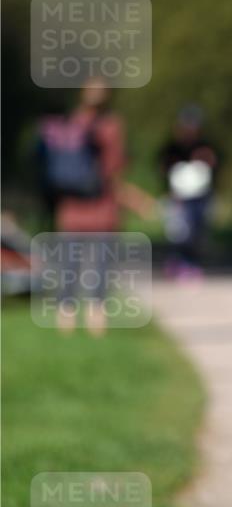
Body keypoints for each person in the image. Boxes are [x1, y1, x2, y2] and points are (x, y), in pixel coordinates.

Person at [37, 77, 156, 335]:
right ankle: (95, 319)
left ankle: (65, 318)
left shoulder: (67, 124)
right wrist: (134, 199)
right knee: (100, 266)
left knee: (69, 266)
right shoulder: (112, 126)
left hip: (70, 208)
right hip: (102, 207)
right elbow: (114, 170)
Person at [159, 104, 221, 279]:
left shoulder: (205, 147)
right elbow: (163, 169)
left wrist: (208, 160)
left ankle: (192, 262)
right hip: (179, 197)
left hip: (200, 196)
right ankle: (179, 262)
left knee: (197, 231)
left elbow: (216, 168)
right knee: (179, 233)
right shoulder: (172, 148)